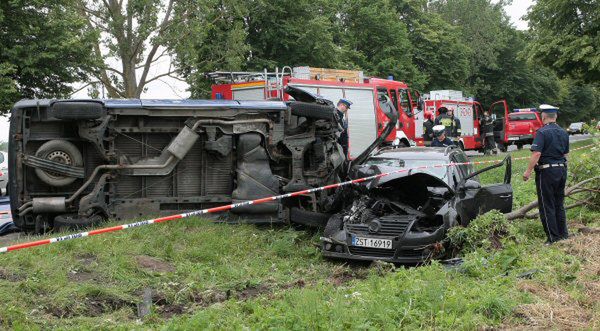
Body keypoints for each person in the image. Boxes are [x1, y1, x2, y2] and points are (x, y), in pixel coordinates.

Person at [523, 104, 570, 245]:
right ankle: (563, 235)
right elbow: (566, 154)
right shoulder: (563, 132)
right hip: (561, 169)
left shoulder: (542, 133)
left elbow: (537, 153)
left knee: (547, 205)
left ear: (543, 117)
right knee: (559, 203)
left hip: (547, 172)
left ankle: (553, 238)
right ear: (555, 116)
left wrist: (528, 171)